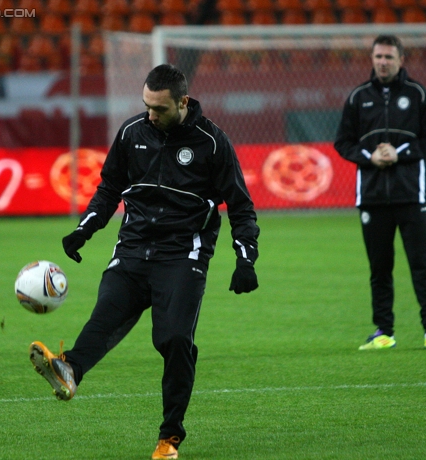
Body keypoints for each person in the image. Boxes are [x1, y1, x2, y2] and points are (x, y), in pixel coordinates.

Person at [29, 64, 260, 459]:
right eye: (146, 105)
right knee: (105, 315)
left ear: (183, 102)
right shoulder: (131, 132)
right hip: (133, 248)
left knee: (173, 340)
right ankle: (69, 370)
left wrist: (245, 259)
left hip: (182, 254)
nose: (151, 114)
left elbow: (240, 206)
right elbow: (109, 188)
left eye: (160, 108)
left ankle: (169, 437)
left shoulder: (213, 142)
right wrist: (85, 229)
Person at [334, 35, 426, 352]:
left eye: (388, 56)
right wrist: (369, 157)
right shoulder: (359, 97)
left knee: (420, 264)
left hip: (411, 195)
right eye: (378, 56)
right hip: (372, 197)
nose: (382, 62)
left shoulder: (418, 94)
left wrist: (402, 153)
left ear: (401, 60)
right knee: (379, 268)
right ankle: (383, 331)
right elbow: (342, 142)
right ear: (372, 59)